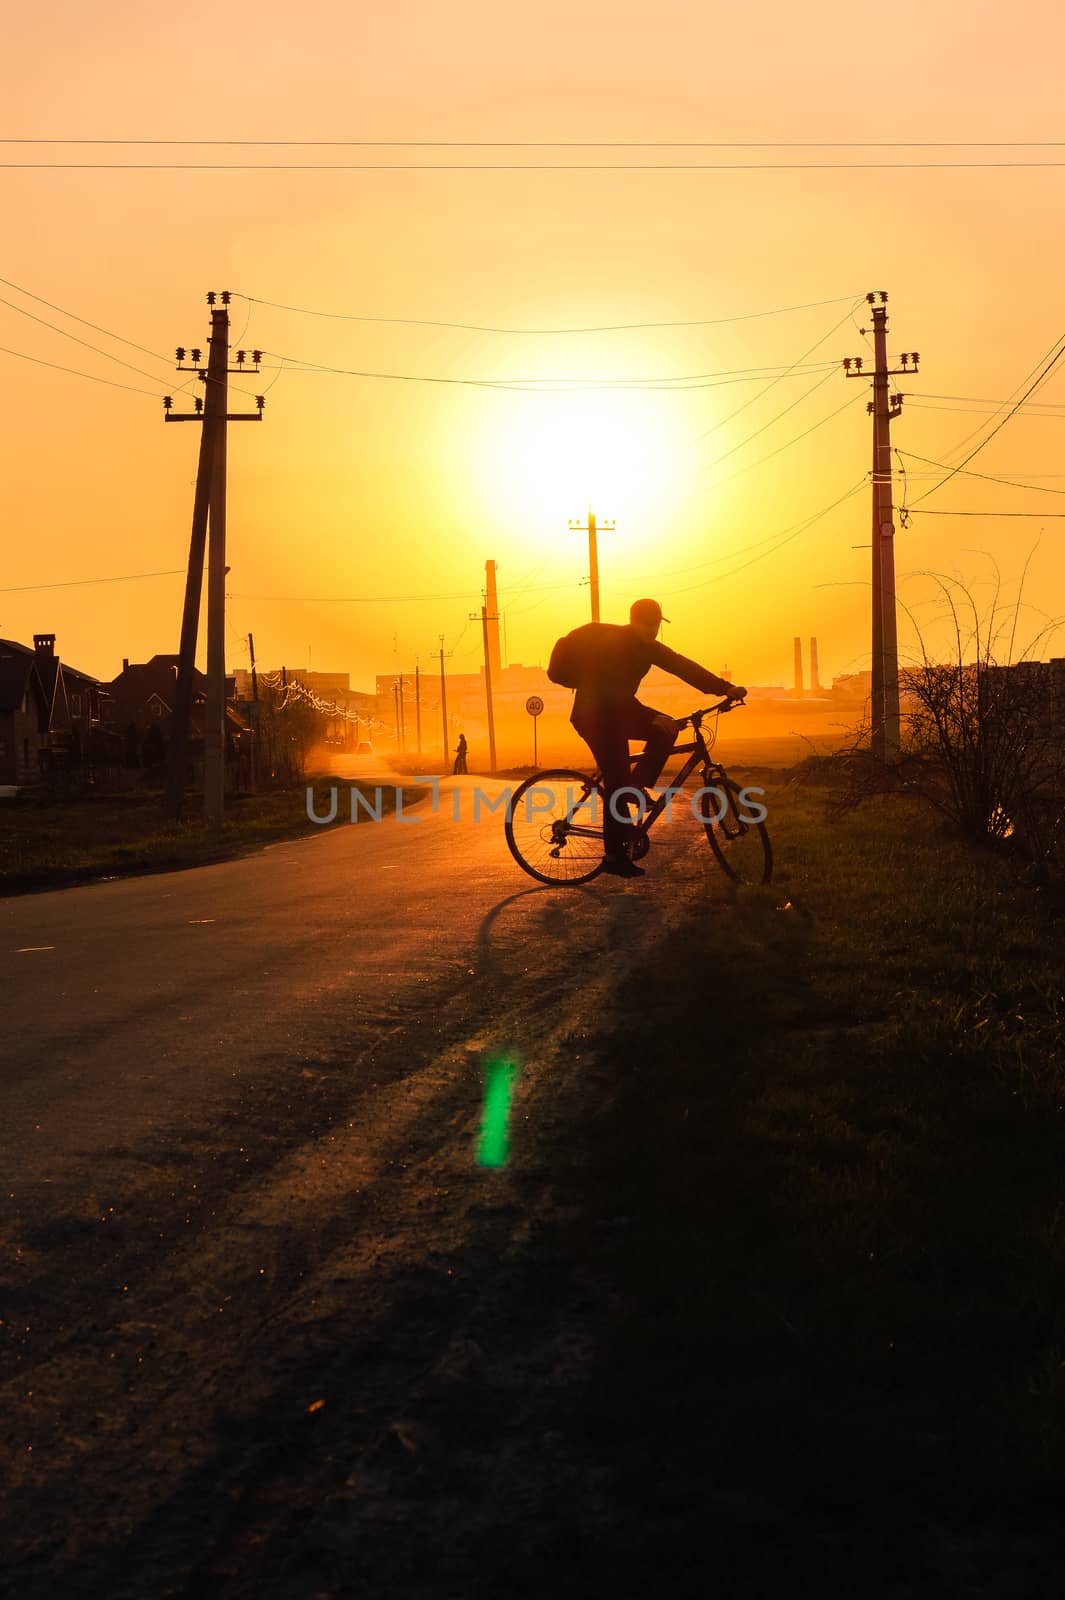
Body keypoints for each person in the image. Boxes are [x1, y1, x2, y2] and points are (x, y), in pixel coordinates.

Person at [548, 598, 745, 877]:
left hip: (618, 711)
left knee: (667, 730)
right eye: (648, 624)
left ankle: (636, 787)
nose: (653, 630)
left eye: (656, 624)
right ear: (634, 622)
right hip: (594, 715)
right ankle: (614, 856)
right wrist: (651, 717)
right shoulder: (615, 644)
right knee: (617, 779)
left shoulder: (647, 647)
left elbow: (681, 665)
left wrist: (725, 688)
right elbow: (609, 692)